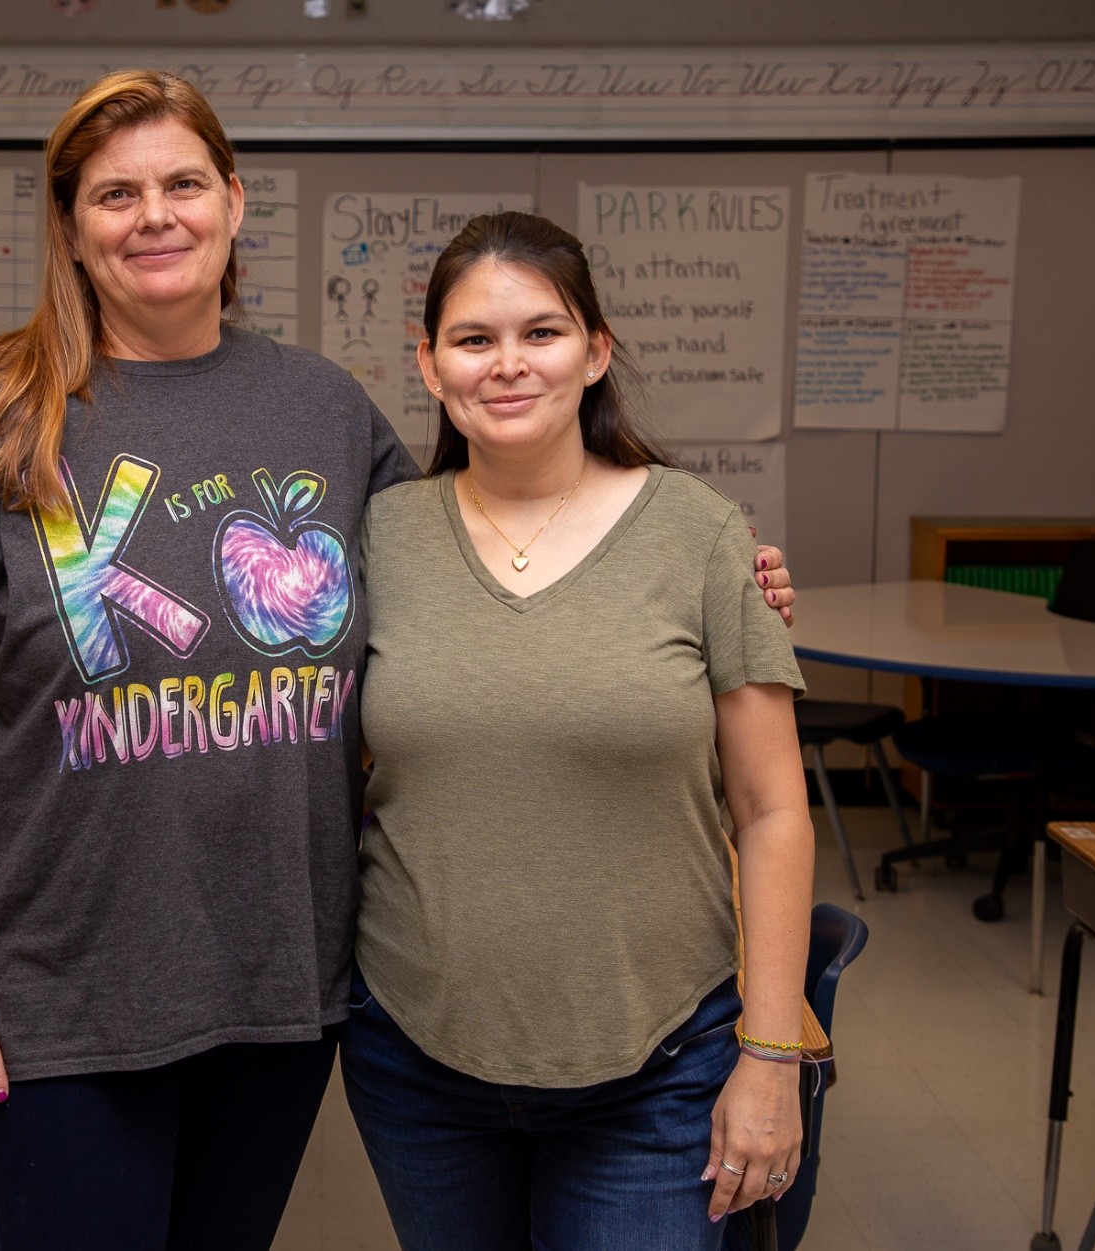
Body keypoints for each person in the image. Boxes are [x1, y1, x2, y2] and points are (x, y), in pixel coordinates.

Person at [0, 72, 796, 1249]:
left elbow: (480, 574)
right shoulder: (3, 416)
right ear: (69, 227)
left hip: (279, 988)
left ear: (233, 202)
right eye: (114, 193)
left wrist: (713, 580)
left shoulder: (320, 410)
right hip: (61, 1000)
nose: (153, 215)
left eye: (181, 183)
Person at [341, 210, 815, 1251]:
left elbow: (773, 809)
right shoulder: (378, 538)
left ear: (595, 351)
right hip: (417, 1057)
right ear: (427, 365)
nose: (506, 365)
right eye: (472, 340)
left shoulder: (699, 533)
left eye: (540, 333)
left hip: (658, 1063)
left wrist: (769, 1056)